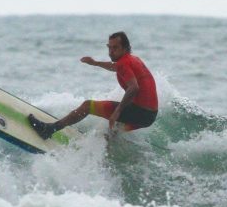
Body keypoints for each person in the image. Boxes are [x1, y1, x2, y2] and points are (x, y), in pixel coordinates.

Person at [28, 31, 158, 139]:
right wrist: (95, 63)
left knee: (87, 106)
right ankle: (107, 163)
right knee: (109, 133)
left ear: (125, 48)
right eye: (109, 47)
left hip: (139, 111)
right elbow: (115, 67)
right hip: (149, 116)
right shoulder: (132, 59)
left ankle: (49, 130)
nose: (111, 51)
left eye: (115, 48)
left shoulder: (124, 63)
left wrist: (117, 112)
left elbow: (134, 88)